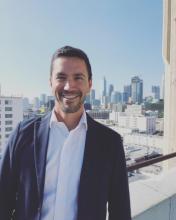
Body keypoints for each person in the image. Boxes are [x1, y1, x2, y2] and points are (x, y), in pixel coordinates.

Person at [0, 46, 131, 220]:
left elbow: (120, 211)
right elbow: (3, 199)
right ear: (50, 82)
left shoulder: (110, 143)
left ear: (89, 84)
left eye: (78, 78)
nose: (69, 86)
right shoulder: (22, 134)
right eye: (61, 77)